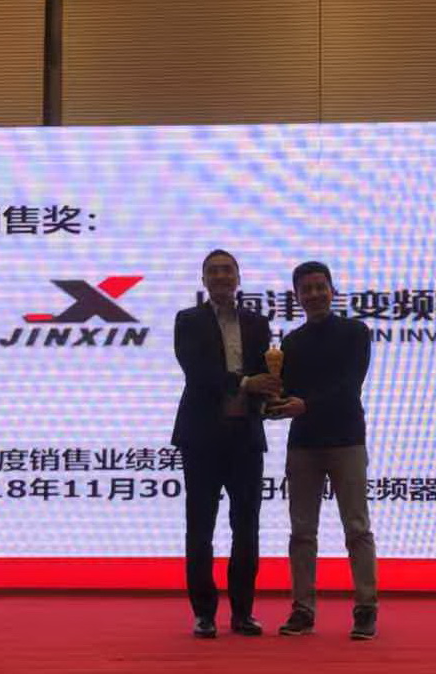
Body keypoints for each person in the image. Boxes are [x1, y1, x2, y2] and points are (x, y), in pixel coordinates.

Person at [171, 249, 282, 638]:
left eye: (227, 270)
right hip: (201, 437)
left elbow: (265, 374)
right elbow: (198, 373)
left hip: (245, 437)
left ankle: (242, 613)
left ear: (238, 277)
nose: (221, 276)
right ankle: (204, 613)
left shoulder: (257, 323)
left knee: (246, 526)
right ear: (203, 280)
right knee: (200, 526)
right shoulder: (188, 321)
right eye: (213, 271)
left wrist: (272, 397)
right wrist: (246, 383)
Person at [268, 260, 378, 640]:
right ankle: (303, 609)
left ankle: (366, 608)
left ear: (332, 291)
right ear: (297, 296)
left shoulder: (355, 332)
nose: (314, 294)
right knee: (302, 532)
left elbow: (349, 387)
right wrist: (271, 403)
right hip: (303, 445)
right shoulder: (291, 343)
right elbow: (286, 393)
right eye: (306, 289)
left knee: (357, 528)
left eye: (320, 287)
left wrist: (306, 405)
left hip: (347, 440)